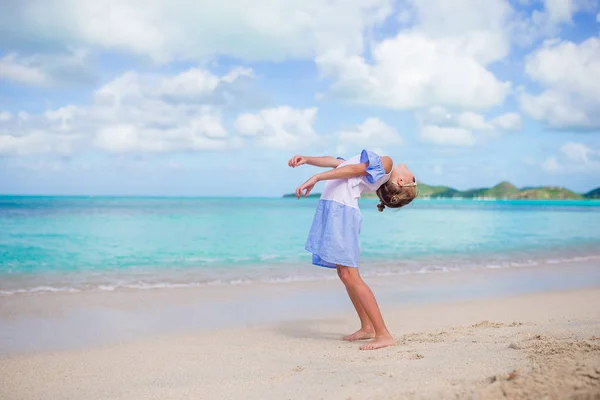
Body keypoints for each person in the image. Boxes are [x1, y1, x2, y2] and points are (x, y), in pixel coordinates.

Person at [288, 149, 417, 350]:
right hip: (335, 209)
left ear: (401, 182)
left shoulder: (387, 162)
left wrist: (317, 177)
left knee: (351, 275)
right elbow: (336, 162)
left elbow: (353, 168)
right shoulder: (379, 170)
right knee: (344, 274)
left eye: (414, 179)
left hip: (342, 213)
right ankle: (367, 327)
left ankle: (383, 334)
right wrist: (307, 159)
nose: (413, 174)